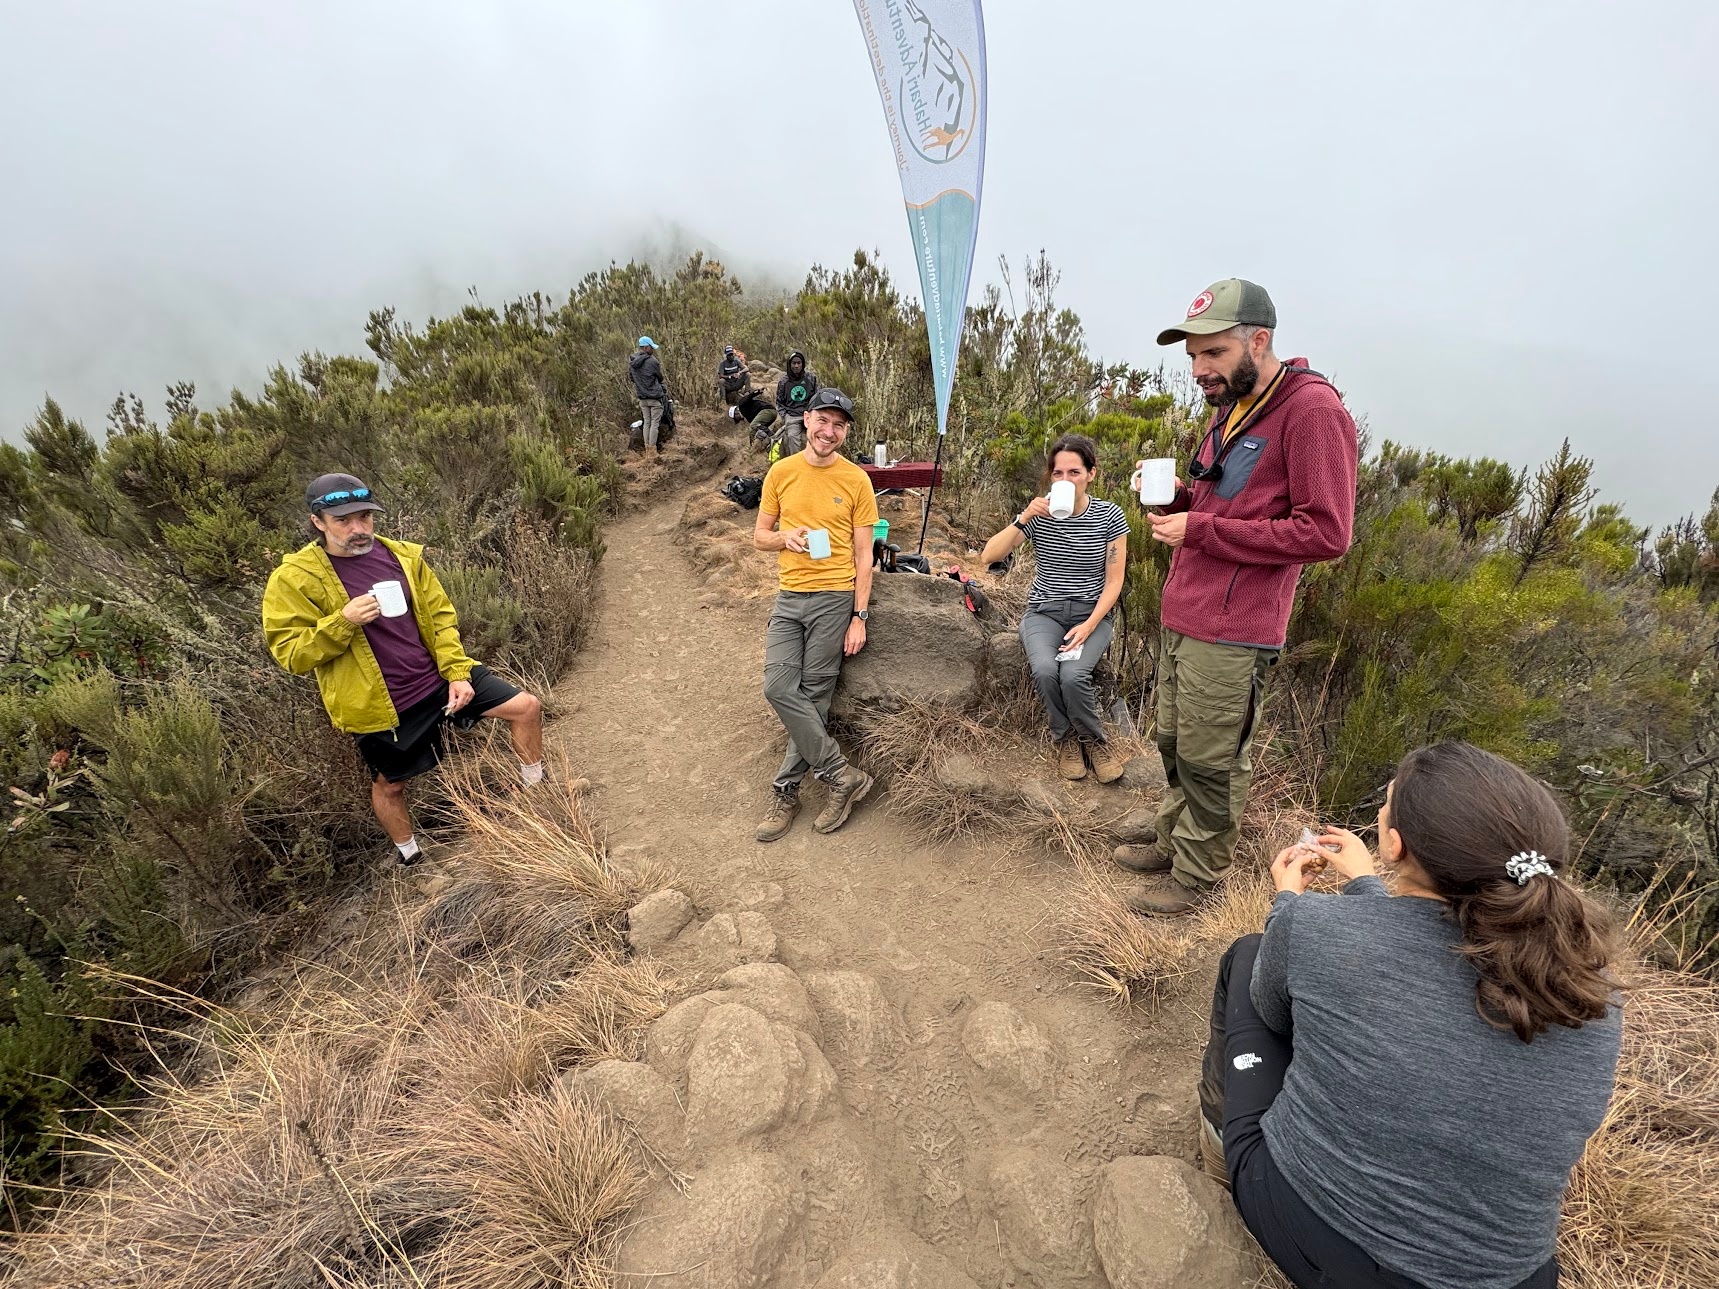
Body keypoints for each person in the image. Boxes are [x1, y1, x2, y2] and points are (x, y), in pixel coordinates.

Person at [1199, 741, 1621, 1289]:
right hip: (1511, 1277)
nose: (1380, 812)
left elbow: (1275, 1008)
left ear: (1394, 843)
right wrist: (1367, 886)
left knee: (1250, 955)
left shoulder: (1313, 927)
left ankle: (1218, 1137)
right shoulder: (1592, 996)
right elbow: (1421, 966)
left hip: (1329, 1241)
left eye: (1387, 804)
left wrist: (1287, 905)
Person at [1118, 279, 1358, 915]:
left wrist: (1203, 529)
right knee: (1173, 741)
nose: (1200, 370)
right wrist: (1173, 500)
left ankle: (1198, 876)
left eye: (1214, 354)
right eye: (1194, 356)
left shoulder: (1312, 413)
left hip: (1235, 625)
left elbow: (1328, 532)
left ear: (1259, 340)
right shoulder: (1231, 405)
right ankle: (1175, 836)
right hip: (1187, 608)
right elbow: (1216, 498)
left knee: (1212, 756)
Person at [261, 473, 545, 865]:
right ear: (317, 522)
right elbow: (291, 653)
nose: (358, 528)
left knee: (526, 707)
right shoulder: (293, 580)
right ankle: (411, 857)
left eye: (365, 516)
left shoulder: (401, 556)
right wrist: (343, 621)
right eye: (343, 520)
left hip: (437, 679)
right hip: (382, 706)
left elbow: (441, 617)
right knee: (391, 785)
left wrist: (457, 672)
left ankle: (537, 794)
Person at [751, 387, 878, 841]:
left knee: (816, 695)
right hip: (790, 596)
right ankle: (843, 774)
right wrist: (786, 537)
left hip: (834, 597)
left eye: (839, 425)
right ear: (806, 420)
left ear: (845, 432)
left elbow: (866, 555)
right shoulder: (781, 473)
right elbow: (759, 536)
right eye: (823, 421)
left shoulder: (856, 480)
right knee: (778, 687)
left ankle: (786, 791)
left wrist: (859, 615)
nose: (829, 431)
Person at [979, 434, 1130, 782]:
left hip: (1091, 614)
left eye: (1074, 472)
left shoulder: (1109, 516)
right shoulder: (1040, 513)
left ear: (1091, 474)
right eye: (1057, 473)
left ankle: (1094, 742)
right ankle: (1065, 741)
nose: (1065, 480)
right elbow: (989, 556)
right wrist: (1023, 518)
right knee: (1046, 671)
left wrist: (1090, 624)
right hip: (1044, 612)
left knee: (1074, 676)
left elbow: (1114, 581)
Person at [769, 350, 819, 460]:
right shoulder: (784, 381)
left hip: (809, 414)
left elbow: (816, 397)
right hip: (792, 415)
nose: (796, 366)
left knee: (816, 435)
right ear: (789, 364)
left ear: (803, 364)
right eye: (794, 363)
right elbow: (779, 402)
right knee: (792, 436)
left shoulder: (811, 378)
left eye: (799, 363)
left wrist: (814, 413)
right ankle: (796, 462)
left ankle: (816, 460)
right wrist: (785, 416)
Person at [630, 336, 669, 454]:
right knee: (654, 424)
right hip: (654, 397)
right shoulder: (653, 361)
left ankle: (647, 448)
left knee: (646, 422)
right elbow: (660, 377)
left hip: (642, 398)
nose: (653, 350)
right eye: (651, 347)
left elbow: (631, 378)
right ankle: (652, 450)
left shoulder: (632, 362)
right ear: (646, 347)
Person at [717, 344, 751, 410]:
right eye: (729, 355)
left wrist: (739, 373)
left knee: (748, 374)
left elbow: (746, 368)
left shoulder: (736, 361)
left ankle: (747, 394)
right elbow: (721, 375)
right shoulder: (723, 363)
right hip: (728, 384)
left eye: (732, 354)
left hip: (737, 382)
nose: (731, 356)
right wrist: (729, 376)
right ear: (726, 356)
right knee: (721, 381)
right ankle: (723, 401)